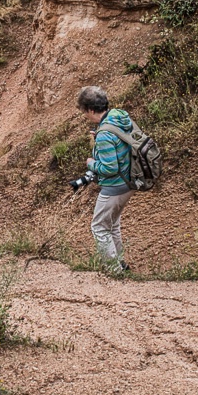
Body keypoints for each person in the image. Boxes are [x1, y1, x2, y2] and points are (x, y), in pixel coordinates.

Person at [77, 86, 134, 273]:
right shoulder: (118, 117)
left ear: (91, 110)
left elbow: (110, 168)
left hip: (114, 186)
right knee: (112, 224)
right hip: (129, 181)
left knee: (99, 227)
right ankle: (121, 264)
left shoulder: (104, 134)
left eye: (85, 111)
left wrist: (91, 163)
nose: (85, 115)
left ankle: (114, 271)